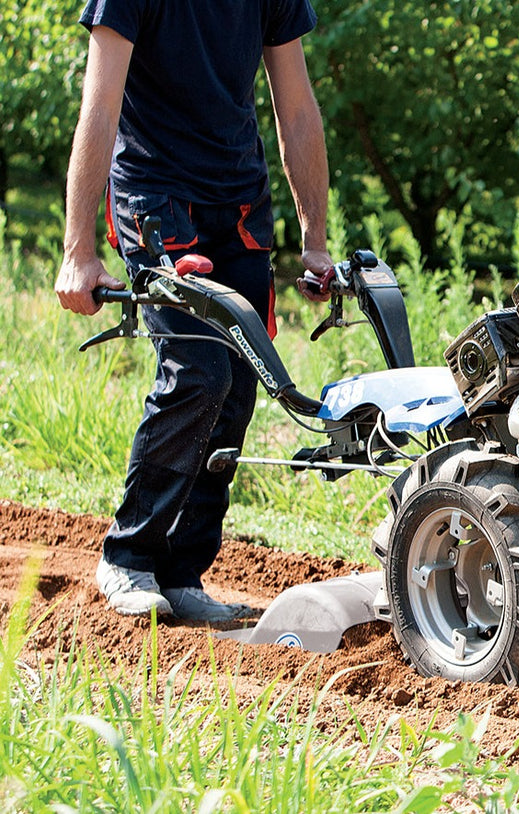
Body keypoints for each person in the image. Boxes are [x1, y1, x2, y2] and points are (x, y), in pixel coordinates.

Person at [54, 0, 333, 621]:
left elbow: (297, 109)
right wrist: (79, 250)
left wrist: (314, 241)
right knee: (198, 373)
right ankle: (128, 556)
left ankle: (180, 572)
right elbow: (99, 108)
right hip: (157, 196)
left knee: (239, 386)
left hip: (239, 200)